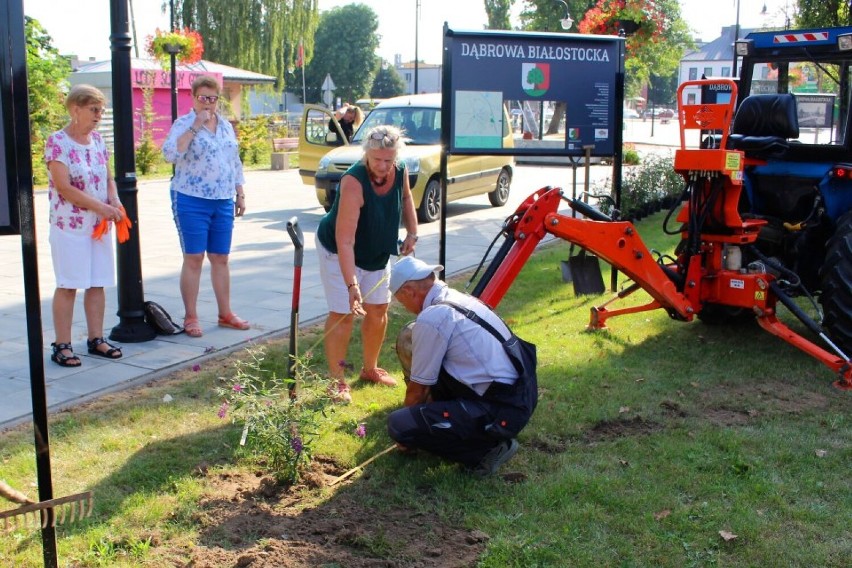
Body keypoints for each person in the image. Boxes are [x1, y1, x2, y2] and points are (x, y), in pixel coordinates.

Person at [386, 256, 538, 477]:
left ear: (409, 290)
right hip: (519, 396)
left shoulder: (433, 317)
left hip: (502, 408)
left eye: (401, 300)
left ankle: (486, 451)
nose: (404, 306)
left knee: (400, 424)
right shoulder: (458, 299)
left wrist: (406, 433)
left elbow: (417, 391)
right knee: (412, 334)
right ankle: (462, 426)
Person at [316, 124, 418, 402]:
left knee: (379, 308)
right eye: (377, 160)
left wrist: (412, 231)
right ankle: (337, 382)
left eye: (389, 160)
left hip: (376, 249)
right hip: (338, 250)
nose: (384, 166)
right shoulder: (353, 182)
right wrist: (352, 285)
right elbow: (345, 242)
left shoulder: (399, 170)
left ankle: (370, 369)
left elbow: (407, 198)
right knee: (344, 313)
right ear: (366, 155)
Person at [162, 75, 249, 338]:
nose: (208, 104)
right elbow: (170, 154)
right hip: (190, 198)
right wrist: (195, 127)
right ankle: (191, 316)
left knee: (221, 257)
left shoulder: (225, 127)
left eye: (213, 98)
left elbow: (234, 161)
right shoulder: (184, 124)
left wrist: (240, 192)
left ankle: (225, 313)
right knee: (194, 257)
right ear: (194, 97)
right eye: (203, 98)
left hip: (222, 199)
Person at [44, 84, 125, 366]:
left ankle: (96, 339)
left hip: (98, 225)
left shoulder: (98, 141)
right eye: (93, 110)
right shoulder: (58, 142)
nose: (98, 116)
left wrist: (114, 200)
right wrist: (101, 206)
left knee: (97, 282)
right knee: (69, 284)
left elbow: (108, 178)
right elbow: (64, 187)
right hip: (70, 225)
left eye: (101, 110)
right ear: (75, 109)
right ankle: (62, 344)